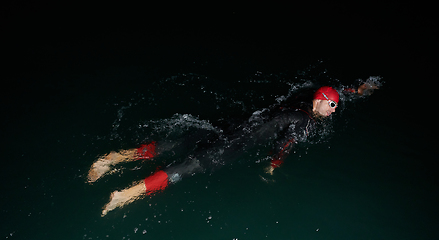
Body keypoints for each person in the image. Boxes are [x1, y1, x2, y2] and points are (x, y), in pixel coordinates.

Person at [88, 80, 380, 216]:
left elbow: (333, 91)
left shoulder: (304, 97)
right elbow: (285, 143)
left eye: (335, 106)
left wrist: (357, 91)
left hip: (232, 123)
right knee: (189, 167)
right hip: (237, 142)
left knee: (174, 143)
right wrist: (274, 164)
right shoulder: (304, 123)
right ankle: (125, 195)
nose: (333, 110)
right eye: (331, 105)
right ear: (318, 101)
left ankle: (112, 159)